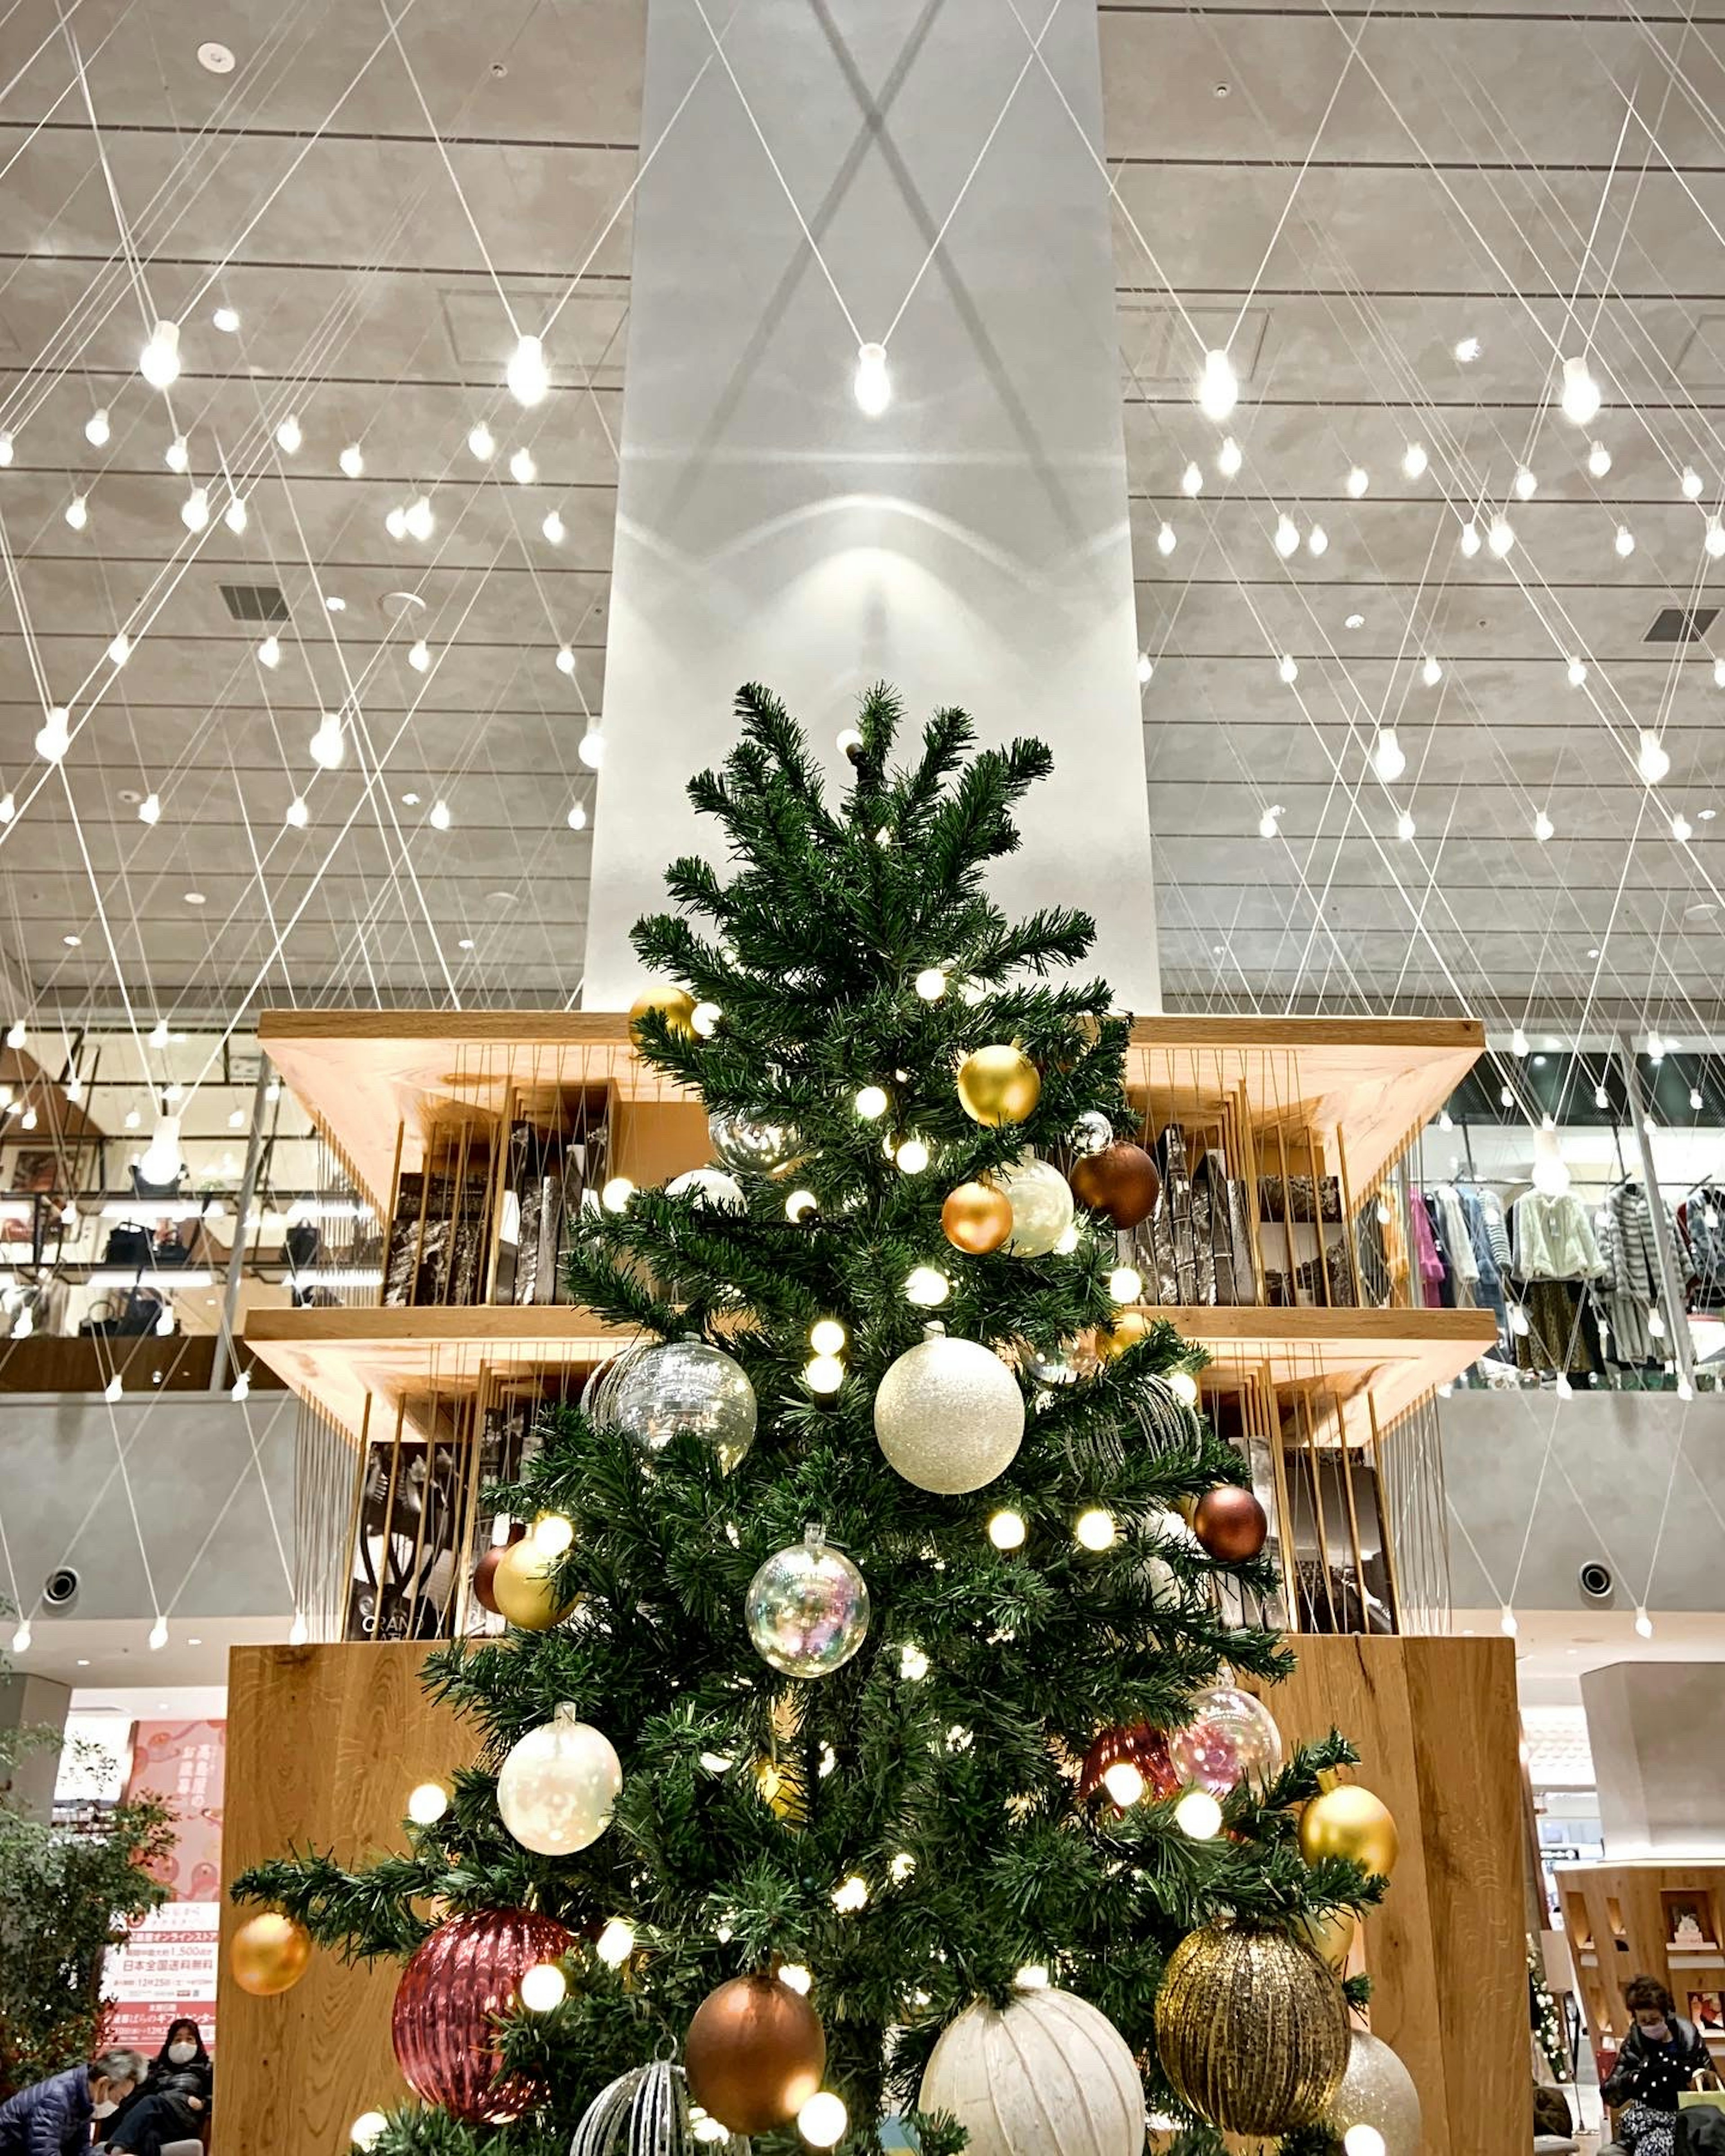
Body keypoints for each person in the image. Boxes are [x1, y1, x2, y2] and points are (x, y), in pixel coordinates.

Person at [1602, 1975, 1714, 2156]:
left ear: (1665, 2014)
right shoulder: (1634, 2043)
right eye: (1643, 2022)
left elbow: (1711, 2077)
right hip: (1649, 2118)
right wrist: (1637, 2078)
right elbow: (1610, 2092)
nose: (1649, 2026)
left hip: (1688, 2114)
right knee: (1659, 2146)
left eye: (1654, 2020)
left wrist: (1696, 2077)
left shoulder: (1687, 2037)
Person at [0, 2052, 145, 2156]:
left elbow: (80, 2151)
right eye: (119, 2098)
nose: (118, 2105)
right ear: (104, 2083)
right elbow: (44, 2151)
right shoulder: (56, 2099)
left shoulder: (82, 2098)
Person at [103, 2022, 211, 2156]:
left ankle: (116, 2149)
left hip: (185, 2119)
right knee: (149, 2136)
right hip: (160, 2120)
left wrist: (204, 2103)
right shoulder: (157, 2068)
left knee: (152, 2101)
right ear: (169, 2044)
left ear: (198, 2042)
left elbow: (218, 2097)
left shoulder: (206, 2068)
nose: (183, 2044)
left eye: (189, 2039)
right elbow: (137, 2096)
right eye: (177, 2040)